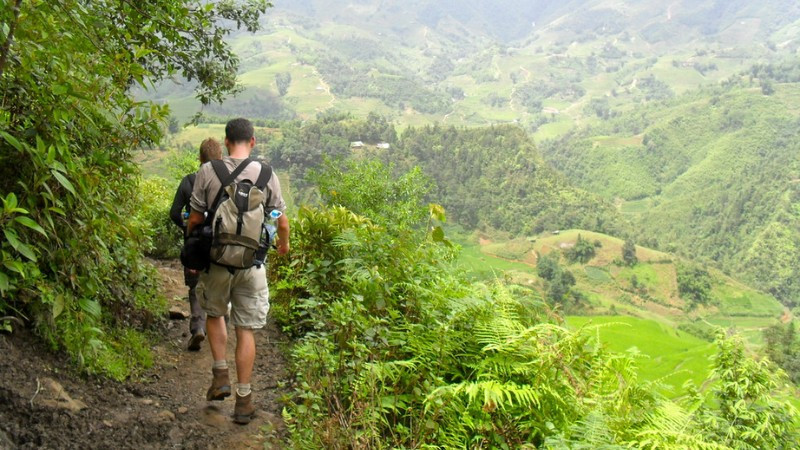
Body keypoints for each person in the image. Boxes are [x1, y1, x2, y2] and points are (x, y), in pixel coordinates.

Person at [186, 118, 290, 425]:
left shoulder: (208, 171)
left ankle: (220, 374)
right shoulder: (267, 173)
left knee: (215, 313)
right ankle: (244, 400)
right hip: (251, 263)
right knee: (246, 329)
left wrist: (193, 249)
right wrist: (282, 247)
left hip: (216, 262)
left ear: (226, 140)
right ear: (253, 142)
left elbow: (194, 220)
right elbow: (281, 222)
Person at [170, 138, 223, 351]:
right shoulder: (228, 181)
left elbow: (174, 213)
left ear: (200, 158)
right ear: (221, 157)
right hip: (220, 243)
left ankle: (198, 326)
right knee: (219, 283)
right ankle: (220, 328)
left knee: (195, 286)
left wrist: (186, 229)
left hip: (196, 243)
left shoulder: (189, 181)